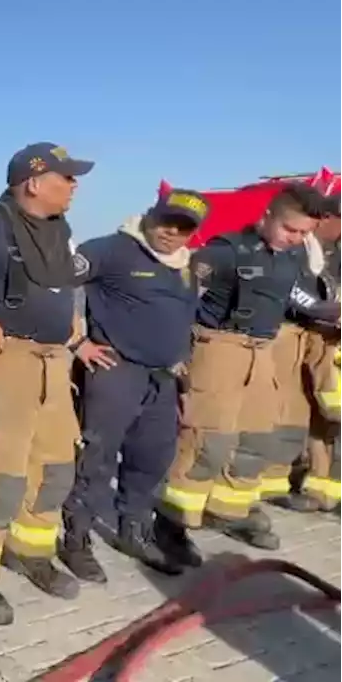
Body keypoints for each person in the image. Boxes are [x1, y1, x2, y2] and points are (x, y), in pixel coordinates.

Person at [0, 142, 95, 624]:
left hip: (53, 363)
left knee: (54, 466)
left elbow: (61, 279)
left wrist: (71, 320)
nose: (74, 186)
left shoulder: (59, 228)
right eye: (66, 177)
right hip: (5, 361)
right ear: (33, 182)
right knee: (0, 475)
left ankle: (32, 549)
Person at [157, 184, 334, 556]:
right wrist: (174, 354)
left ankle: (228, 509)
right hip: (220, 347)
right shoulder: (224, 252)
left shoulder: (291, 258)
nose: (297, 238)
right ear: (268, 215)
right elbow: (179, 299)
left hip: (263, 351)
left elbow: (302, 302)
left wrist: (332, 313)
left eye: (304, 233)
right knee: (207, 440)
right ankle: (173, 521)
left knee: (256, 439)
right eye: (290, 230)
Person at [56, 190, 209, 582]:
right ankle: (76, 539)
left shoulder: (187, 265)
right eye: (166, 221)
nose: (172, 232)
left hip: (162, 377)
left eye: (184, 227)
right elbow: (53, 283)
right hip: (116, 370)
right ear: (149, 215)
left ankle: (134, 532)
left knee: (151, 459)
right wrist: (77, 342)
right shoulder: (110, 250)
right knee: (97, 458)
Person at [262, 206, 342, 512]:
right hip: (299, 334)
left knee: (329, 414)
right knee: (297, 409)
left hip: (324, 337)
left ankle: (323, 488)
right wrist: (333, 313)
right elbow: (293, 294)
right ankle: (290, 481)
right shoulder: (295, 249)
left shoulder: (328, 250)